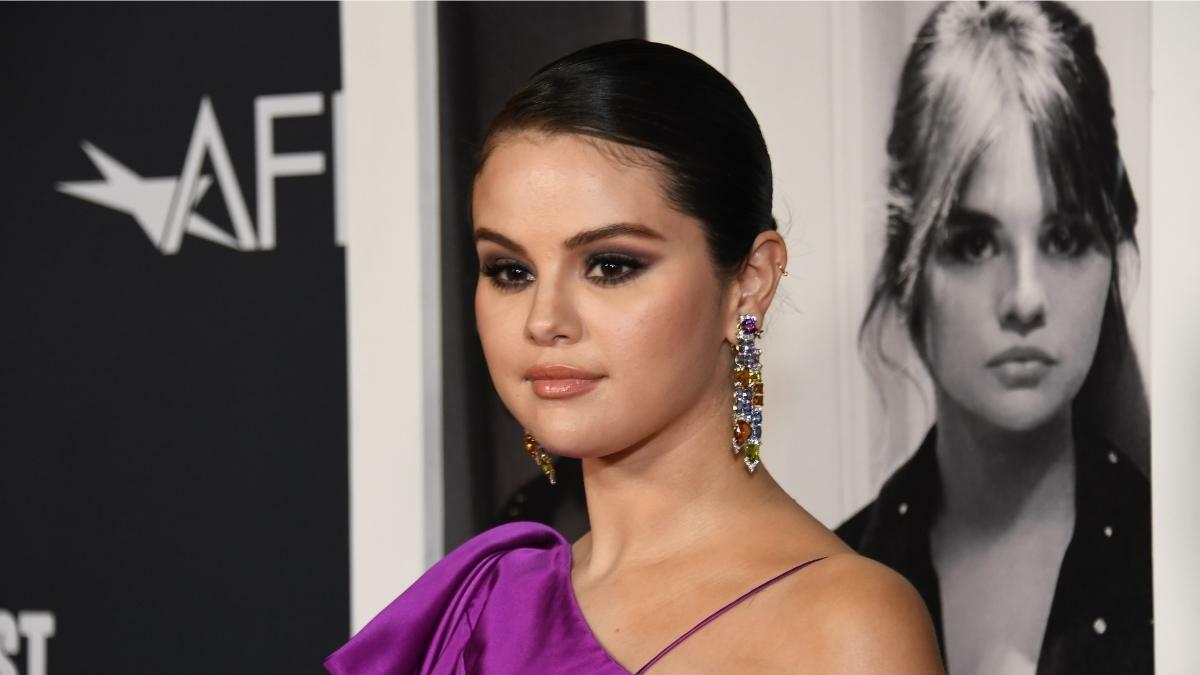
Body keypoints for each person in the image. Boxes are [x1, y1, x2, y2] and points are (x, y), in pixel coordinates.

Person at [326, 39, 943, 674]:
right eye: (511, 271)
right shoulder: (477, 607)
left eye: (611, 265)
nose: (544, 320)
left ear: (750, 281)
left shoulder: (844, 628)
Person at [836, 3, 1152, 674]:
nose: (1025, 298)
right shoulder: (829, 587)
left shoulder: (1176, 568)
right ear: (907, 266)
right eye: (974, 243)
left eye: (1065, 237)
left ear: (1113, 253)